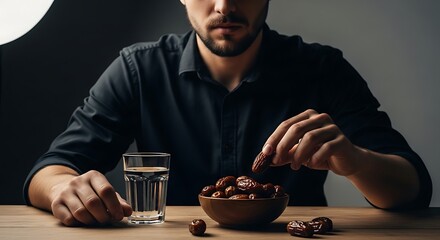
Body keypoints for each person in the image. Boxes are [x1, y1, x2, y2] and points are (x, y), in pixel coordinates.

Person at [24, 0, 432, 227]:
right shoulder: (139, 70)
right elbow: (51, 169)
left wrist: (356, 160)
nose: (225, 5)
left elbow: (411, 188)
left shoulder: (322, 69)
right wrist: (63, 187)